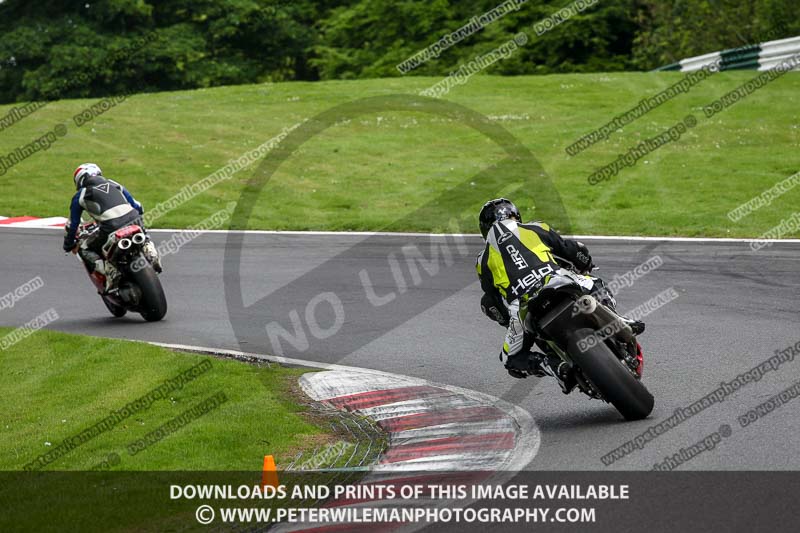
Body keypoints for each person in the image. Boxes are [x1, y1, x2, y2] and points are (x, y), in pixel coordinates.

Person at [476, 198, 642, 392]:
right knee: (594, 282)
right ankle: (619, 321)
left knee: (511, 359)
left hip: (522, 307)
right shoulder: (536, 227)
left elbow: (491, 301)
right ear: (515, 215)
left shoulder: (482, 260)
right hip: (557, 280)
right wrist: (585, 264)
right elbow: (572, 250)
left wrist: (506, 321)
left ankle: (555, 367)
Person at [62, 163, 159, 293]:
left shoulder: (80, 195)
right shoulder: (114, 184)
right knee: (141, 230)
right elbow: (138, 206)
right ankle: (149, 247)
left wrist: (68, 244)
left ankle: (109, 271)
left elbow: (73, 225)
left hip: (110, 226)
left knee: (84, 249)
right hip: (134, 218)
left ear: (80, 180)